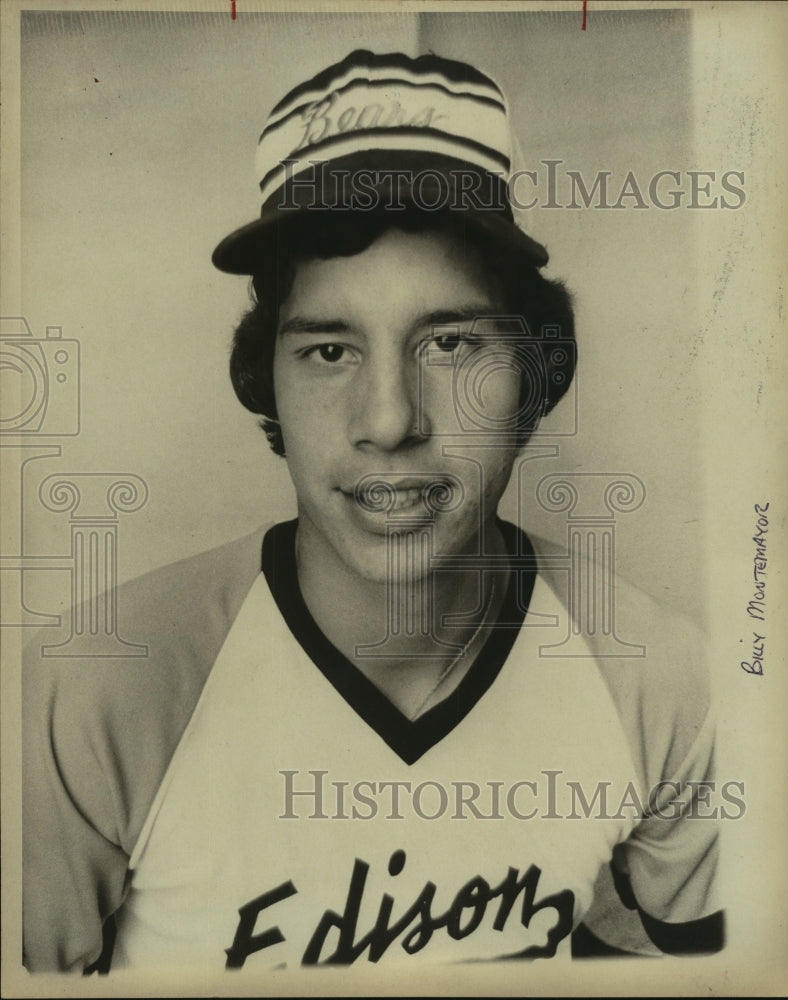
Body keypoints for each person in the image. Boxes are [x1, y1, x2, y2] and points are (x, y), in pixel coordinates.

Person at [22, 49, 723, 974]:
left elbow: (731, 974)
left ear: (535, 376)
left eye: (453, 340)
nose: (391, 421)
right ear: (260, 379)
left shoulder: (659, 677)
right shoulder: (95, 691)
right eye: (328, 350)